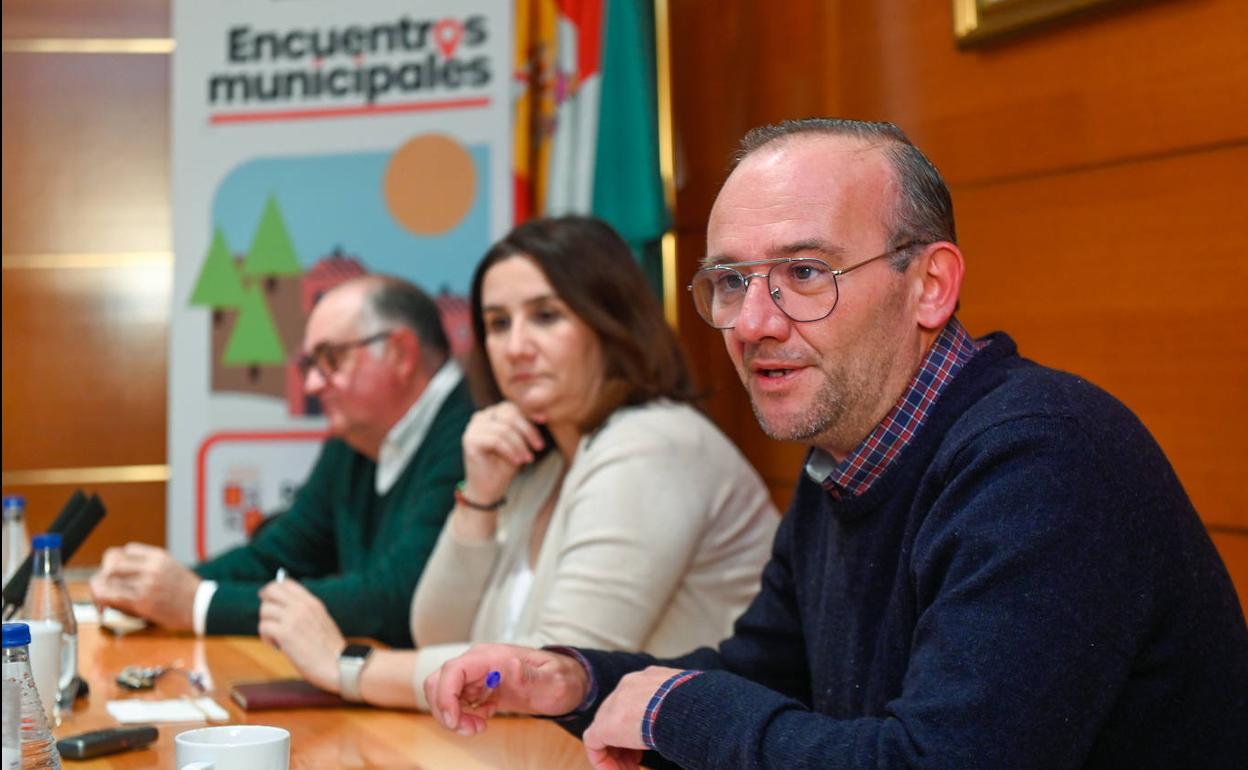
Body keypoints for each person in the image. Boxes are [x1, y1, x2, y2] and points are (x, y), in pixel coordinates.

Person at [424, 119, 1248, 769]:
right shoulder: (845, 456)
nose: (752, 324)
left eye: (806, 273)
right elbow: (769, 673)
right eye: (731, 281)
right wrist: (573, 679)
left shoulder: (1045, 460)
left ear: (929, 286)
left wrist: (676, 711)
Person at [256, 216, 779, 709]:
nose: (516, 347)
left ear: (610, 322)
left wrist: (346, 667)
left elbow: (554, 675)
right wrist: (479, 496)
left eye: (545, 316)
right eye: (498, 324)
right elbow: (437, 630)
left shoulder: (654, 445)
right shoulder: (543, 460)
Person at [89, 275, 474, 647]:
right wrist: (153, 590)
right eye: (310, 365)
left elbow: (396, 600)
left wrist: (197, 602)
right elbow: (279, 553)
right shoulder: (357, 437)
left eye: (331, 359)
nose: (312, 385)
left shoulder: (470, 436)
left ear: (400, 352)